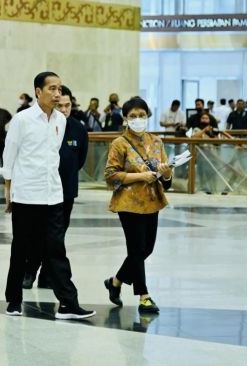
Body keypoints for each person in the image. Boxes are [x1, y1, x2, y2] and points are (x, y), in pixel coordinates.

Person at [0, 71, 95, 320]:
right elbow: (9, 158)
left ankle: (68, 303)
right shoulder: (22, 120)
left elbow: (55, 159)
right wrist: (8, 193)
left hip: (53, 195)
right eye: (52, 88)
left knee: (56, 249)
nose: (57, 93)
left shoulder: (60, 122)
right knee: (21, 248)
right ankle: (14, 300)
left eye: (59, 89)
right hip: (27, 196)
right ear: (38, 92)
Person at [103, 96, 172, 314]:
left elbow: (166, 181)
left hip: (152, 201)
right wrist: (140, 177)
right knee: (136, 249)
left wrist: (167, 174)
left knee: (146, 249)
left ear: (148, 116)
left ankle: (115, 281)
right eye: (133, 116)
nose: (138, 119)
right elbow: (110, 175)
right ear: (125, 119)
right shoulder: (119, 144)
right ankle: (144, 297)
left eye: (142, 115)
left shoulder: (157, 142)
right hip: (128, 202)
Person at [23, 85, 88, 290]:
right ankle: (30, 269)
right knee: (37, 234)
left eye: (68, 105)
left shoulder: (78, 128)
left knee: (57, 237)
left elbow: (80, 159)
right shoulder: (40, 126)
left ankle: (47, 274)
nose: (64, 109)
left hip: (65, 192)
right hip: (40, 190)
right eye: (60, 105)